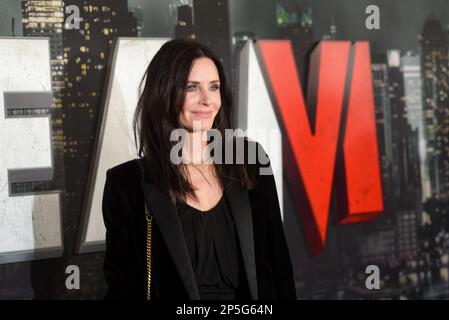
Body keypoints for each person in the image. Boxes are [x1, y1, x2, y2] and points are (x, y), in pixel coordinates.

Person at [102, 39, 296, 300]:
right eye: (191, 87)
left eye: (214, 87)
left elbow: (279, 268)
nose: (207, 100)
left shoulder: (250, 161)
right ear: (165, 92)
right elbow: (122, 290)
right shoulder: (127, 184)